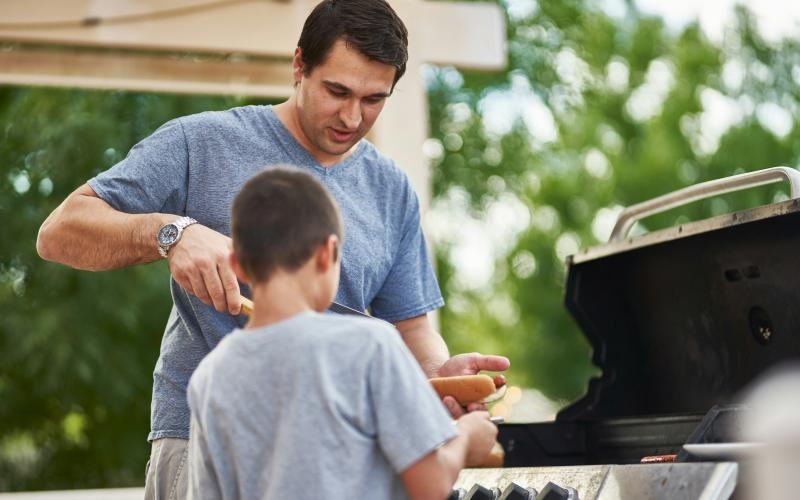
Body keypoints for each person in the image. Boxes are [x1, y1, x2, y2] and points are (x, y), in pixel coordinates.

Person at [36, 0, 509, 497]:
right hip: (206, 444)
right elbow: (58, 233)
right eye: (337, 91)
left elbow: (410, 327)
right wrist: (171, 233)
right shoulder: (200, 141)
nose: (352, 116)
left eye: (374, 99)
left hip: (340, 451)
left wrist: (436, 378)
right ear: (299, 65)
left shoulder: (391, 187)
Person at [187, 167, 498, 499]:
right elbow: (430, 485)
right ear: (328, 253)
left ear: (236, 264)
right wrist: (467, 439)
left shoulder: (209, 375)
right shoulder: (371, 345)